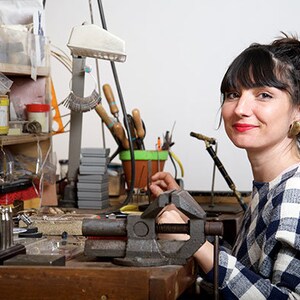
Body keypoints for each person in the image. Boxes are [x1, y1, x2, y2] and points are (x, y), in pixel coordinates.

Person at [150, 34, 300, 299]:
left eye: (264, 95)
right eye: (233, 94)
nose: (241, 108)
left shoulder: (294, 195)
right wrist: (189, 216)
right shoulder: (272, 186)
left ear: (297, 110)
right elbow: (248, 265)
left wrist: (192, 240)